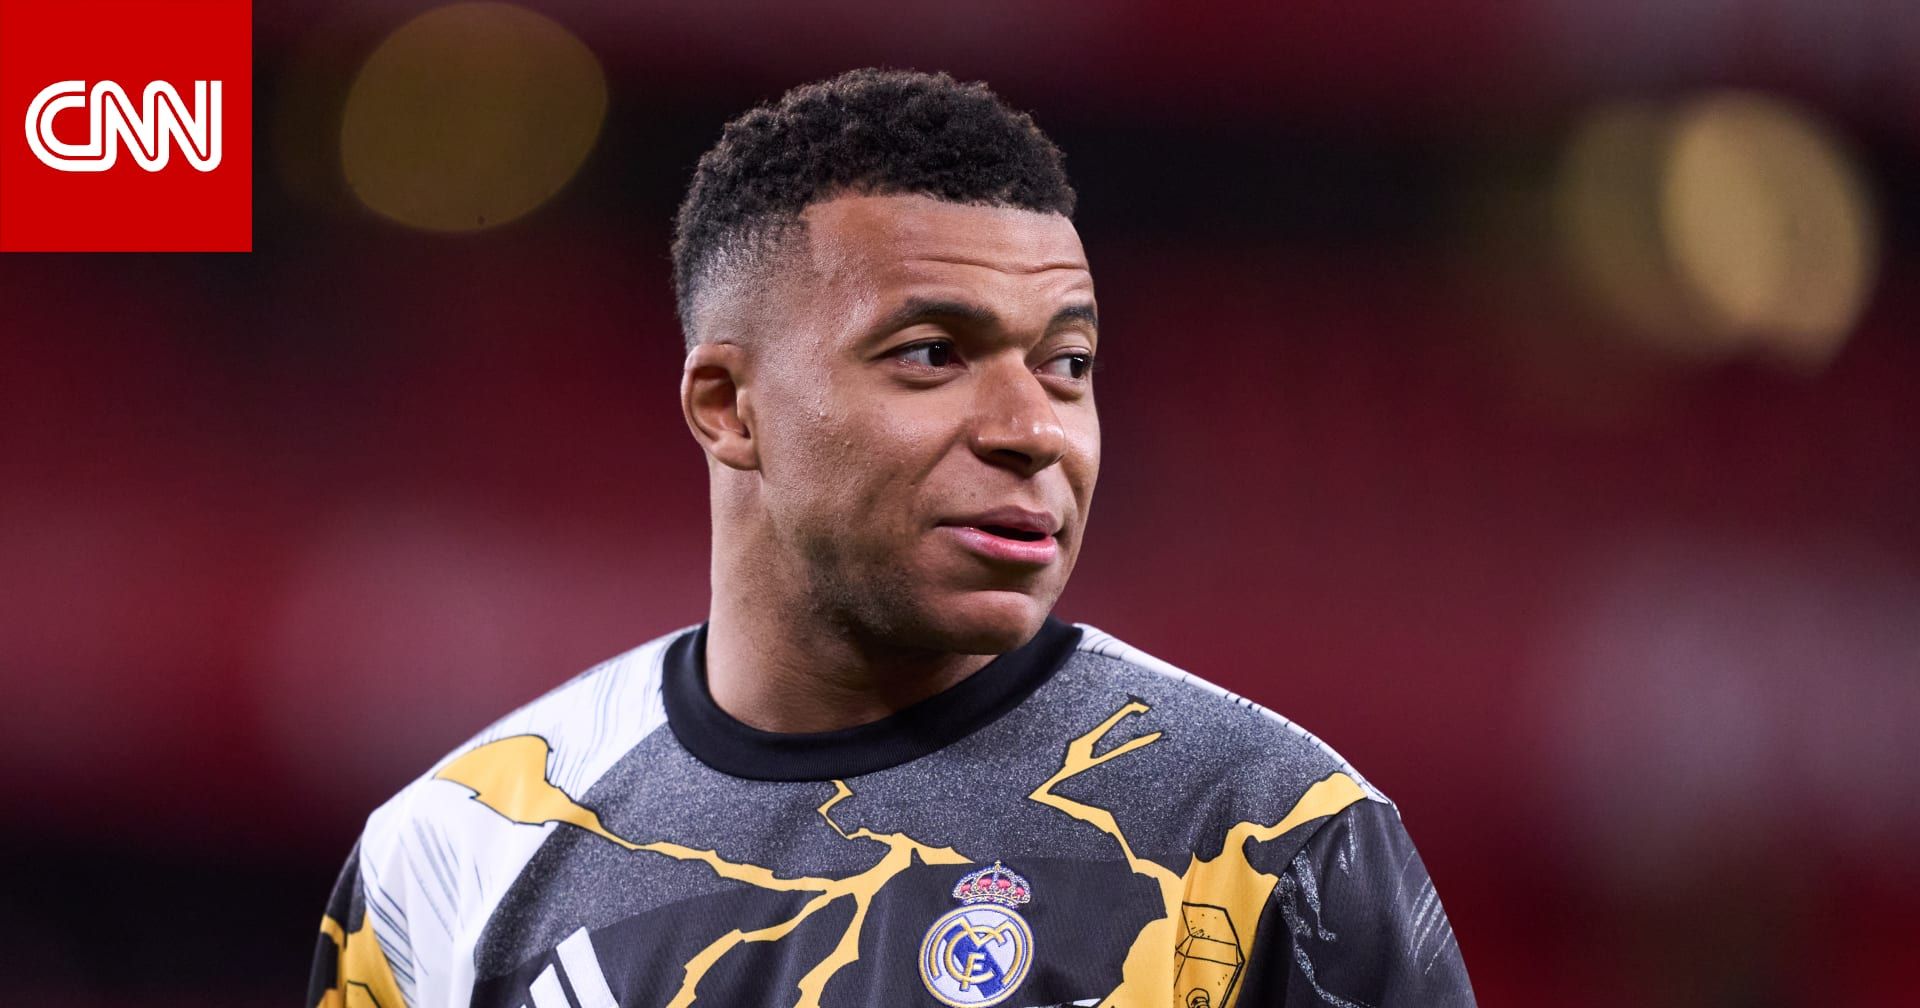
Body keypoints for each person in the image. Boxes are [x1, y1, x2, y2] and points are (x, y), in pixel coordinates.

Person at [307, 67, 1476, 1008]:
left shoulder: (1265, 837)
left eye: (1067, 363)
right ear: (728, 406)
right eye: (932, 354)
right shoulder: (448, 857)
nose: (1033, 430)